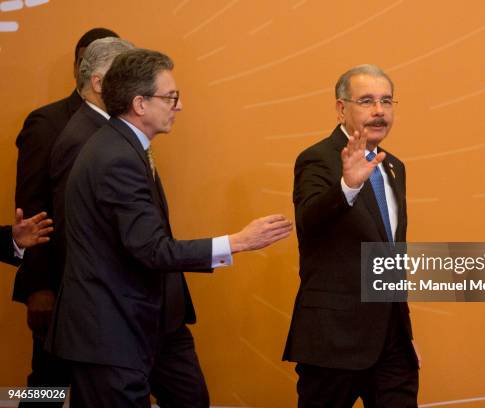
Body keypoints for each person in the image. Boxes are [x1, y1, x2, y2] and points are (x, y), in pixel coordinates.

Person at [47, 49, 293, 407]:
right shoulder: (116, 156)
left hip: (140, 324)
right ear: (140, 104)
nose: (179, 106)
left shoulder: (123, 145)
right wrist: (238, 241)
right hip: (111, 331)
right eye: (171, 97)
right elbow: (151, 249)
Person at [283, 64, 420, 407]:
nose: (379, 111)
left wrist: (402, 330)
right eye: (367, 101)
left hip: (391, 343)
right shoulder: (317, 159)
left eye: (386, 101)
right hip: (334, 341)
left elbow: (388, 254)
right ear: (341, 108)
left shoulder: (393, 166)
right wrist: (348, 186)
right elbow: (309, 221)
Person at [12, 27, 119, 401]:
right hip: (56, 287)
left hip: (111, 294)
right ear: (82, 67)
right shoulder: (48, 122)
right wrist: (39, 287)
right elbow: (32, 210)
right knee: (46, 386)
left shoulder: (127, 124)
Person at [50, 37, 134, 280]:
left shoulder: (103, 128)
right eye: (125, 78)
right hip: (102, 293)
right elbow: (73, 230)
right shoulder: (83, 137)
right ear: (98, 83)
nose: (136, 88)